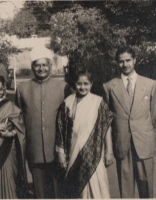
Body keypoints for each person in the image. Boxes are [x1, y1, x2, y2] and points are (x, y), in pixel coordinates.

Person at [15, 45, 71, 198]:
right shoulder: (22, 89)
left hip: (58, 150)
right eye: (37, 65)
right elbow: (17, 119)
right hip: (34, 150)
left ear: (50, 66)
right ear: (32, 67)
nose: (41, 68)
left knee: (59, 191)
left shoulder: (63, 87)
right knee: (40, 193)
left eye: (44, 65)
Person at [103, 47, 156, 198]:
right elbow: (108, 117)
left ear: (134, 60)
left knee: (146, 186)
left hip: (143, 141)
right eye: (121, 61)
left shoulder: (150, 84)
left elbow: (153, 112)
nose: (125, 64)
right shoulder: (109, 86)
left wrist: (140, 127)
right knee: (125, 188)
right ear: (117, 63)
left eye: (128, 60)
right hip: (122, 142)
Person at [56, 69, 113, 198]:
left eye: (86, 84)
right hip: (73, 153)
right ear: (74, 84)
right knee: (76, 188)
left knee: (97, 186)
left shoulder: (99, 102)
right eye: (79, 84)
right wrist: (60, 153)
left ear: (91, 84)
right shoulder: (67, 103)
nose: (83, 87)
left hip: (95, 154)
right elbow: (60, 128)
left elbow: (107, 127)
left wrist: (109, 151)